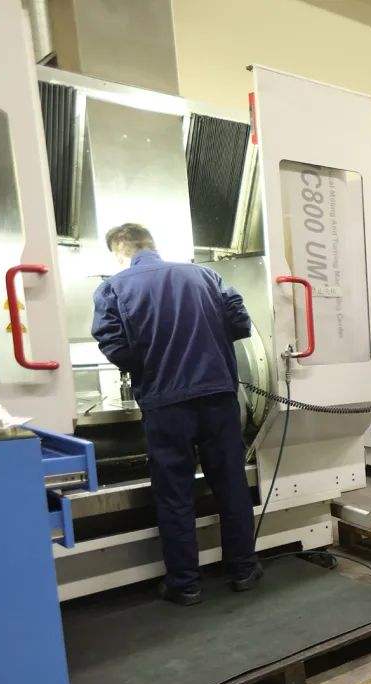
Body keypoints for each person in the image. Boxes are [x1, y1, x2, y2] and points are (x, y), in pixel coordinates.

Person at [91, 223, 261, 606]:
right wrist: (208, 348)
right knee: (231, 485)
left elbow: (113, 345)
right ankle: (243, 570)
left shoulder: (113, 287)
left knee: (174, 494)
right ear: (152, 244)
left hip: (165, 405)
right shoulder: (206, 275)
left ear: (119, 252)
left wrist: (149, 365)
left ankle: (185, 585)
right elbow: (240, 322)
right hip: (218, 397)